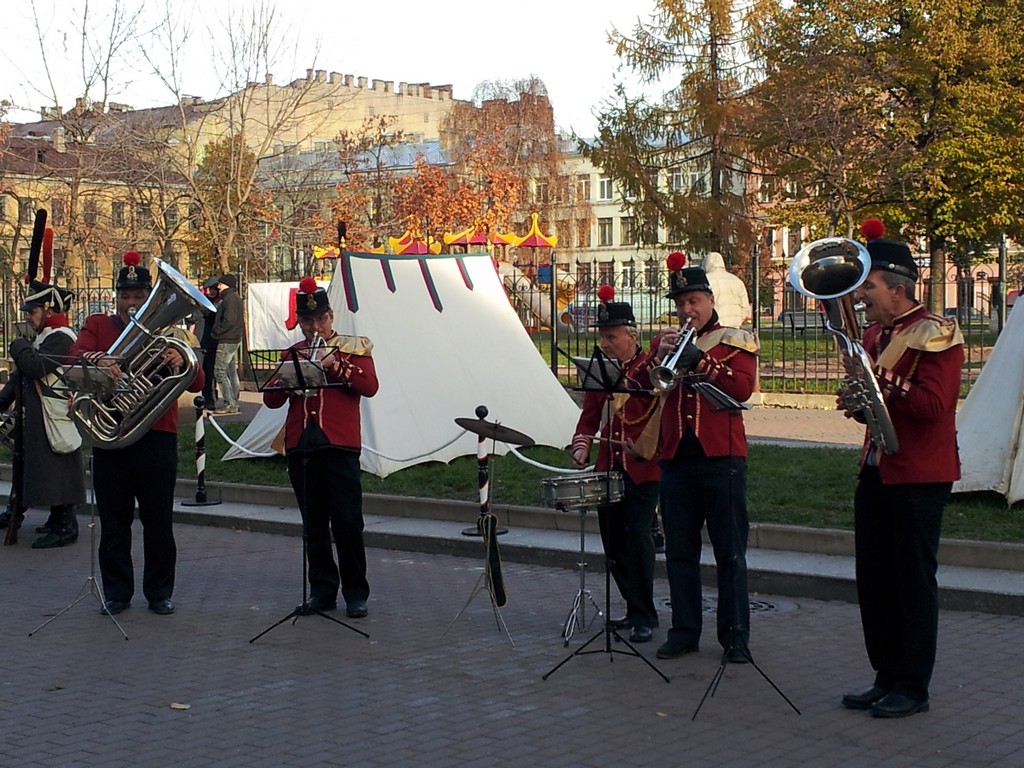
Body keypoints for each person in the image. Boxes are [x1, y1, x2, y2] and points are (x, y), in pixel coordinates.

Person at [839, 220, 963, 719]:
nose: (861, 295)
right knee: (874, 578)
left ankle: (913, 685)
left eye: (868, 287)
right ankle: (885, 675)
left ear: (898, 288)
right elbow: (881, 404)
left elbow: (934, 406)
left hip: (919, 474)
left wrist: (878, 379)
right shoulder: (874, 332)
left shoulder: (937, 333)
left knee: (912, 581)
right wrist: (858, 401)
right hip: (877, 468)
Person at [68, 251, 204, 616]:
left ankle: (160, 592)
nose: (131, 303)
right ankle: (117, 592)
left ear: (148, 297)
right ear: (117, 297)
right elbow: (74, 358)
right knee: (114, 521)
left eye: (139, 297)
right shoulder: (99, 326)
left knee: (159, 519)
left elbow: (199, 379)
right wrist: (98, 361)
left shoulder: (171, 333)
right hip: (112, 436)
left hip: (157, 435)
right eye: (126, 296)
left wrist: (180, 359)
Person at [651, 256, 759, 662]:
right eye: (681, 303)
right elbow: (651, 388)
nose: (686, 310)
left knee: (729, 551)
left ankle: (735, 635)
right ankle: (684, 630)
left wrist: (701, 360)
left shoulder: (734, 340)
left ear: (710, 300)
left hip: (721, 456)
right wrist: (657, 356)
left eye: (693, 301)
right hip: (677, 455)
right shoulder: (669, 341)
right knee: (680, 551)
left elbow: (743, 388)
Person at [263, 277, 379, 618]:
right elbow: (270, 401)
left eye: (320, 320)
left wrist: (335, 364)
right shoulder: (293, 353)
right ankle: (322, 590)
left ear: (330, 317)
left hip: (339, 444)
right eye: (308, 321)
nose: (315, 327)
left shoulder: (353, 348)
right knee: (313, 524)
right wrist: (284, 380)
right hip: (301, 444)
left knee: (347, 521)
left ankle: (356, 593)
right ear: (301, 322)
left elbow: (369, 386)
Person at [571, 286, 660, 643]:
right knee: (613, 542)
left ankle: (645, 614)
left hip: (644, 466)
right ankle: (632, 607)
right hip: (609, 466)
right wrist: (582, 447)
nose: (606, 344)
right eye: (602, 337)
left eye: (612, 337)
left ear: (631, 335)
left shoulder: (650, 369)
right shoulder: (602, 372)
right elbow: (589, 417)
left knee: (637, 536)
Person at [0, 280, 85, 548]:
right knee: (36, 468)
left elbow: (36, 367)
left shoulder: (62, 337)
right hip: (38, 414)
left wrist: (18, 347)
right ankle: (52, 518)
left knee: (58, 470)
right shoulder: (45, 337)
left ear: (48, 311)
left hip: (54, 414)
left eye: (33, 311)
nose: (28, 316)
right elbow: (19, 377)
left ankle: (66, 525)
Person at [211, 273, 243, 415]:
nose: (218, 286)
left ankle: (229, 402)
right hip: (233, 338)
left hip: (227, 339)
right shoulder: (235, 298)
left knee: (219, 371)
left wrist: (216, 332)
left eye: (220, 284)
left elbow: (228, 320)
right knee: (231, 371)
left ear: (227, 285)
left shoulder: (228, 299)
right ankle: (234, 400)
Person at [702, 251, 750, 328]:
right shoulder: (737, 280)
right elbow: (745, 308)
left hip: (713, 327)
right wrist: (738, 321)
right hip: (734, 327)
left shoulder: (705, 280)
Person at [197, 277, 220, 408]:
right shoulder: (201, 302)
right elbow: (192, 318)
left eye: (213, 289)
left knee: (211, 373)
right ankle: (205, 397)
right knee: (203, 372)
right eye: (208, 289)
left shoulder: (218, 303)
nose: (210, 291)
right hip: (200, 340)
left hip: (212, 342)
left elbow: (213, 312)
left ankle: (210, 398)